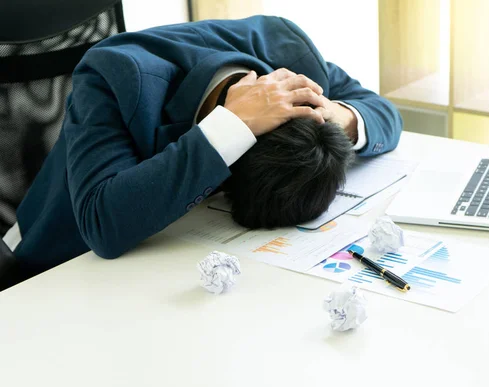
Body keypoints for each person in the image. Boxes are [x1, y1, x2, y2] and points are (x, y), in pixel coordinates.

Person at [0, 15, 402, 287]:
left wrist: (335, 114)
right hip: (59, 263)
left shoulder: (289, 55)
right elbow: (102, 223)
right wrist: (231, 127)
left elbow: (386, 115)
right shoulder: (115, 74)